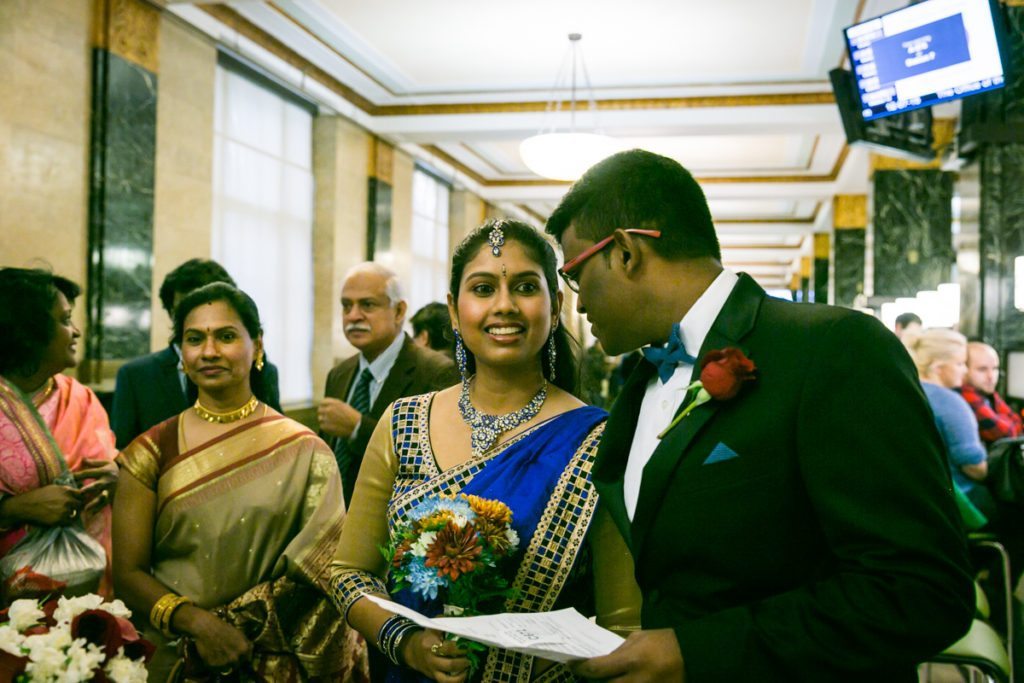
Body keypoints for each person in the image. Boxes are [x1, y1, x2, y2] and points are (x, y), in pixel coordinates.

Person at [544, 149, 974, 682]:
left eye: (576, 277)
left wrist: (696, 653)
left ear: (627, 252)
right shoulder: (642, 382)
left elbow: (921, 590)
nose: (577, 306)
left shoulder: (834, 349)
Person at [328, 220, 639, 682]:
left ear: (555, 309)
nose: (504, 306)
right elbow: (348, 573)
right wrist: (407, 642)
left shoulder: (597, 440)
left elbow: (623, 627)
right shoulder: (402, 423)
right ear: (455, 311)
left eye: (526, 287)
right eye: (483, 287)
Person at [112, 283, 367, 682]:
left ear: (257, 345)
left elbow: (323, 569)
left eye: (226, 336)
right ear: (182, 353)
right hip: (178, 657)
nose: (209, 352)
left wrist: (245, 626)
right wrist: (196, 623)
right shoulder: (150, 452)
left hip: (275, 658)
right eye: (194, 339)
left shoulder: (305, 450)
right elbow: (128, 573)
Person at [0, 268, 119, 600]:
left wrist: (118, 477)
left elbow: (108, 467)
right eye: (66, 320)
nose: (76, 331)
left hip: (85, 585)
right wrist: (12, 509)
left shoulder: (79, 398)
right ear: (29, 331)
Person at [319, 263, 459, 505]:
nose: (353, 316)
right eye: (346, 306)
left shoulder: (437, 373)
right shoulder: (338, 375)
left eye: (367, 305)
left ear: (399, 311)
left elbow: (435, 464)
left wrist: (358, 428)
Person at [110, 258, 282, 449]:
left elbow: (274, 436)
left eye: (226, 336)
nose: (209, 353)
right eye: (188, 307)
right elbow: (124, 453)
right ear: (171, 314)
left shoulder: (262, 370)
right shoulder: (136, 376)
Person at [906, 330, 992, 516]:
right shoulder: (950, 403)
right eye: (960, 364)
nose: (965, 370)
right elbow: (974, 468)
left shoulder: (906, 391)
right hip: (961, 502)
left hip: (921, 499)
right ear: (938, 367)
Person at [957, 341, 1023, 444]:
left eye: (995, 368)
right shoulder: (964, 395)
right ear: (963, 370)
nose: (991, 377)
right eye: (982, 369)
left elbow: (1017, 421)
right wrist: (1006, 420)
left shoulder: (985, 391)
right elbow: (1006, 434)